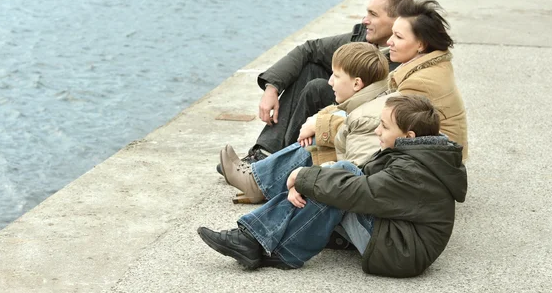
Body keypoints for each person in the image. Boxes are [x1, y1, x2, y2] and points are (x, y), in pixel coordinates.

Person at [197, 95, 467, 277]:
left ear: (409, 136)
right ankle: (259, 242)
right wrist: (310, 179)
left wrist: (301, 177)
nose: (377, 132)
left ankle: (256, 240)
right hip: (394, 233)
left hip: (400, 252)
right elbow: (361, 184)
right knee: (335, 176)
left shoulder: (415, 170)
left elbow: (360, 192)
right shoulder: (420, 154)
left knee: (340, 178)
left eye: (384, 127)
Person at [216, 0, 411, 175]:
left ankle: (275, 168)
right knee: (310, 68)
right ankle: (266, 154)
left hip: (367, 121)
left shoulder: (406, 54)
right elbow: (309, 49)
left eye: (373, 15)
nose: (365, 20)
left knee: (317, 87)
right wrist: (272, 87)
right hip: (346, 107)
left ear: (397, 21)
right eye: (366, 13)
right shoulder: (360, 38)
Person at [218, 42, 394, 204]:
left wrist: (305, 180)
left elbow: (355, 175)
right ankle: (263, 175)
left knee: (319, 138)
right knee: (316, 103)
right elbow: (310, 48)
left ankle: (259, 182)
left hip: (359, 201)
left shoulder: (366, 116)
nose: (330, 81)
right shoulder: (376, 97)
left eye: (336, 76)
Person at [386, 0, 468, 159]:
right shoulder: (435, 63)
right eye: (392, 34)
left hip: (433, 162)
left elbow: (386, 125)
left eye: (398, 37)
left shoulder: (418, 82)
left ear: (421, 44)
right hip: (442, 156)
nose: (389, 41)